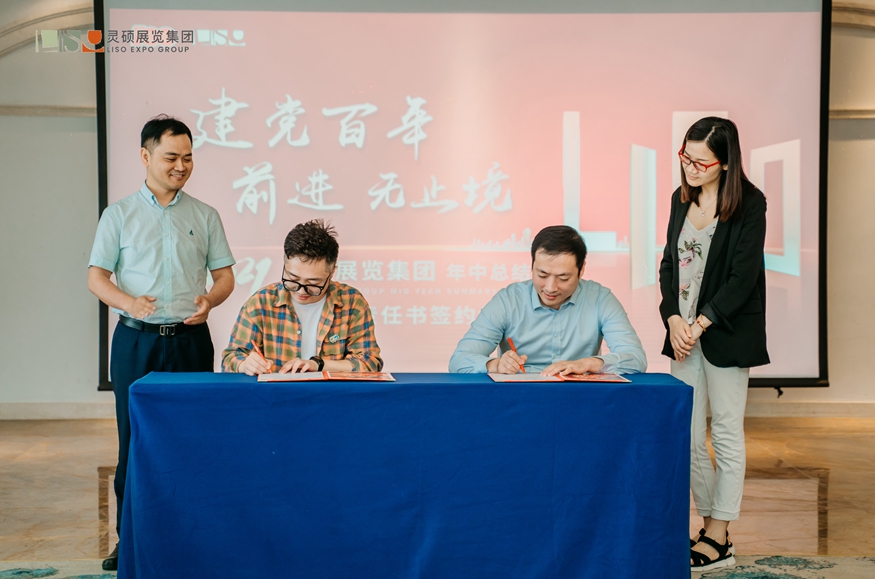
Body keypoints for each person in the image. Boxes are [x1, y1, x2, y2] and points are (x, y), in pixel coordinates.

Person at [87, 115, 236, 570]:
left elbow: (225, 277)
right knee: (135, 442)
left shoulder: (205, 215)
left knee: (193, 440)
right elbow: (97, 278)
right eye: (171, 157)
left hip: (191, 340)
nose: (181, 166)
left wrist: (210, 299)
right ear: (145, 156)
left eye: (188, 157)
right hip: (137, 342)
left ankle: (191, 536)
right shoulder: (118, 215)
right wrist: (130, 302)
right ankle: (129, 540)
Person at [658, 117, 769, 572]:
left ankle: (720, 532)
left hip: (724, 332)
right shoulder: (680, 198)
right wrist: (672, 318)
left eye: (701, 162)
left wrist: (699, 323)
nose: (691, 168)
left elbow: (743, 277)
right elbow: (669, 264)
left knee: (724, 433)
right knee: (686, 435)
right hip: (683, 336)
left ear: (725, 162)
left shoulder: (750, 203)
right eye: (686, 158)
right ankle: (709, 528)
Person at [449, 225, 646, 375]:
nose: (551, 288)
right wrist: (496, 365)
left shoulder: (600, 299)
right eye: (542, 275)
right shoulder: (508, 301)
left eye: (563, 278)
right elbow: (459, 360)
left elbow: (636, 359)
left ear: (581, 270)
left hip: (580, 398)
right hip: (520, 398)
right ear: (532, 265)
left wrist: (587, 363)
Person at [223, 219, 383, 374]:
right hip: (276, 392)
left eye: (313, 283)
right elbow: (230, 358)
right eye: (292, 279)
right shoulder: (261, 303)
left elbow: (369, 362)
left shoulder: (352, 303)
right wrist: (245, 365)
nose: (301, 291)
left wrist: (318, 365)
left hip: (331, 392)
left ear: (332, 272)